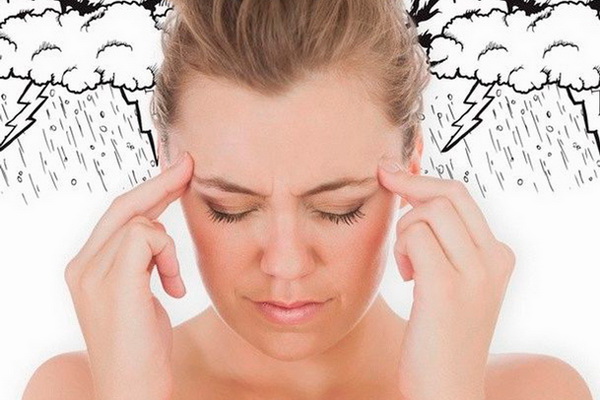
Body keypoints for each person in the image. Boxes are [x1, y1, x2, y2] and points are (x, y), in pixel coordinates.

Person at [22, 1, 593, 399]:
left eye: (338, 208)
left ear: (413, 166)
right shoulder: (75, 392)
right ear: (165, 168)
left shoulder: (537, 393)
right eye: (230, 208)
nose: (286, 265)